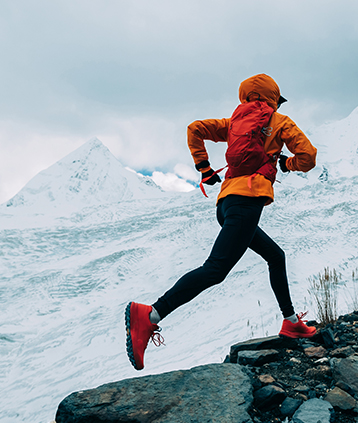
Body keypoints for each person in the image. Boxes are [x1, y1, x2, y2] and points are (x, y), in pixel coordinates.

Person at [125, 74, 318, 371]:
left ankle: (291, 322)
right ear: (272, 99)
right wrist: (287, 164)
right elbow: (308, 156)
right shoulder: (280, 122)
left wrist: (204, 168)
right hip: (247, 204)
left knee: (275, 256)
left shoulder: (233, 124)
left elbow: (195, 129)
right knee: (215, 270)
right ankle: (150, 315)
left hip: (226, 203)